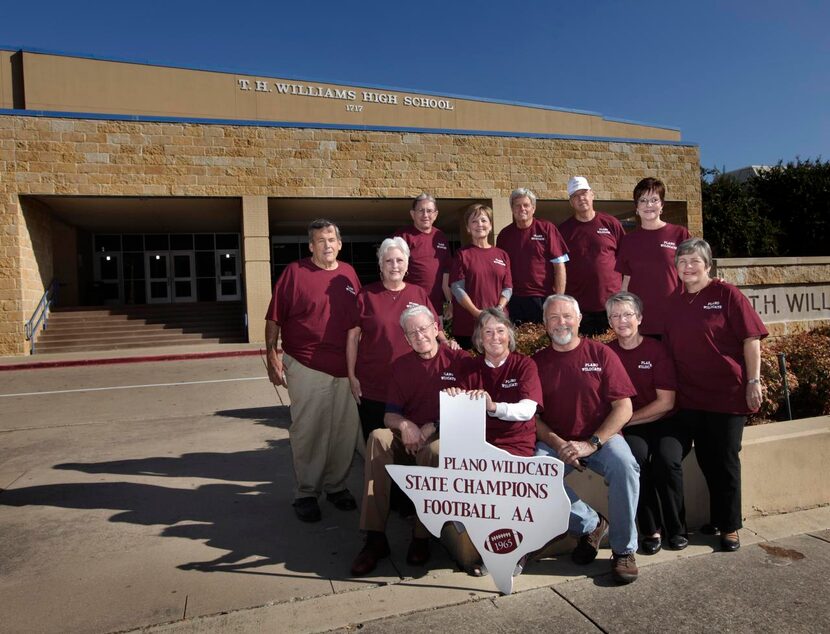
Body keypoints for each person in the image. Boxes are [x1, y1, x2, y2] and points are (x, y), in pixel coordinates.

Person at [663, 238, 768, 552]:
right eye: (682, 261)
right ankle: (718, 517)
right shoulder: (674, 302)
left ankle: (730, 526)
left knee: (724, 460)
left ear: (707, 264)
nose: (688, 267)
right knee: (707, 460)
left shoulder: (727, 294)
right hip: (690, 397)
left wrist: (753, 381)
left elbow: (751, 339)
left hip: (727, 394)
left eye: (695, 261)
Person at [350, 304, 468, 576]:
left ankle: (421, 536)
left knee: (433, 450)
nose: (419, 336)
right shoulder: (401, 366)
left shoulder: (457, 361)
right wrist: (406, 425)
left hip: (442, 438)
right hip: (410, 438)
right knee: (378, 437)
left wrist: (431, 426)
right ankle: (375, 538)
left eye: (424, 329)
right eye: (411, 332)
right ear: (405, 338)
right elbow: (389, 414)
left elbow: (468, 408)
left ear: (436, 329)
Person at [533, 294, 640, 584]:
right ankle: (590, 523)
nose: (561, 322)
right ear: (544, 324)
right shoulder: (536, 363)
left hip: (601, 439)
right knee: (535, 474)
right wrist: (557, 444)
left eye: (567, 316)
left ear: (579, 320)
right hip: (557, 442)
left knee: (625, 466)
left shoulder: (601, 355)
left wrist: (592, 443)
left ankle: (624, 550)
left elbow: (624, 407)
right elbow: (534, 417)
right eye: (553, 317)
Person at [265, 219, 361, 523]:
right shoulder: (295, 273)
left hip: (346, 367)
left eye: (331, 239)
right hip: (306, 363)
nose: (327, 245)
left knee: (343, 432)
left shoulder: (349, 273)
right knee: (310, 430)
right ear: (311, 246)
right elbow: (274, 317)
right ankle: (306, 492)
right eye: (320, 240)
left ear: (340, 243)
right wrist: (271, 353)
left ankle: (336, 486)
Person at [451, 307, 543, 576]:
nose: (494, 337)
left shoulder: (524, 365)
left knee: (505, 491)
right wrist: (456, 396)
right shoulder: (470, 369)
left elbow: (528, 409)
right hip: (481, 444)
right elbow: (458, 412)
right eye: (487, 331)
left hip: (516, 444)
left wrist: (494, 407)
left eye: (500, 331)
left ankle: (516, 552)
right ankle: (485, 551)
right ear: (479, 338)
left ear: (509, 335)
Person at [605, 291, 691, 554]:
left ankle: (677, 529)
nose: (622, 321)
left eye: (628, 314)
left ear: (640, 318)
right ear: (609, 322)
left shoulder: (657, 350)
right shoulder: (606, 353)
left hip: (667, 421)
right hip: (633, 428)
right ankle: (651, 530)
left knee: (667, 460)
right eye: (615, 316)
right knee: (635, 461)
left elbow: (665, 402)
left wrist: (624, 420)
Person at [346, 237, 449, 441]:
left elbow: (434, 329)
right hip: (374, 385)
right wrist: (351, 376)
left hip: (412, 384)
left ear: (407, 264)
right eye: (388, 261)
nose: (395, 266)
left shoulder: (418, 293)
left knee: (412, 444)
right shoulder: (366, 295)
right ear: (380, 265)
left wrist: (447, 344)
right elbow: (352, 337)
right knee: (377, 443)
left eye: (399, 260)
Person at [615, 178, 692, 337]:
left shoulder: (679, 234)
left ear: (662, 205)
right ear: (636, 207)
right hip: (640, 320)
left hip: (674, 319)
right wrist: (622, 310)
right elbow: (626, 281)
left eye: (654, 200)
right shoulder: (628, 240)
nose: (649, 205)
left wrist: (713, 284)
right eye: (643, 200)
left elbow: (694, 271)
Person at [558, 176, 624, 336]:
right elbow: (558, 267)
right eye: (575, 195)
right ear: (571, 202)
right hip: (580, 308)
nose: (581, 198)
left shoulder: (611, 223)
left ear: (592, 195)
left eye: (584, 193)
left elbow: (625, 260)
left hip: (612, 305)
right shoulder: (563, 230)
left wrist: (625, 293)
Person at [496, 188, 569, 324]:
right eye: (517, 205)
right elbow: (500, 271)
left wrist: (559, 299)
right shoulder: (504, 235)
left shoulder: (546, 228)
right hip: (514, 299)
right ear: (512, 209)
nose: (522, 209)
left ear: (533, 208)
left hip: (542, 297)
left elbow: (559, 265)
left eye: (526, 205)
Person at [450, 203, 513, 349]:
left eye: (484, 220)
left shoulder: (502, 255)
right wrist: (478, 314)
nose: (480, 224)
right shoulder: (462, 254)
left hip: (498, 325)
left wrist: (498, 309)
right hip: (468, 327)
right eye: (474, 221)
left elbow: (508, 287)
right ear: (468, 228)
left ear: (490, 225)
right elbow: (457, 289)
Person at [393, 193, 452, 322]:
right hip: (410, 309)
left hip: (435, 310)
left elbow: (445, 274)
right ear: (412, 214)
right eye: (421, 210)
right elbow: (393, 273)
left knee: (435, 341)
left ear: (435, 214)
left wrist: (450, 302)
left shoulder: (440, 236)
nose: (425, 215)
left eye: (429, 211)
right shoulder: (402, 237)